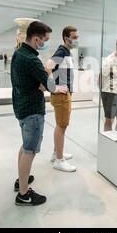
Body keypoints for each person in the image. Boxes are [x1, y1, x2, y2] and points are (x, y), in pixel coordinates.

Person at [11, 20, 68, 206]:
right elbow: (50, 85)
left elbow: (33, 82)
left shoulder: (18, 53)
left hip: (21, 107)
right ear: (36, 39)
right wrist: (49, 80)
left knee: (25, 146)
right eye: (45, 39)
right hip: (32, 110)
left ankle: (22, 180)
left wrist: (42, 82)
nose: (46, 43)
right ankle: (23, 194)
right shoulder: (32, 59)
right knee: (30, 150)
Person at [45, 26, 79, 172]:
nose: (77, 40)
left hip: (65, 94)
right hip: (61, 95)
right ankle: (59, 160)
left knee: (61, 125)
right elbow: (48, 66)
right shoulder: (62, 51)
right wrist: (54, 86)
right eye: (74, 37)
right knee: (61, 126)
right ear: (66, 38)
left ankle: (56, 153)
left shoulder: (67, 52)